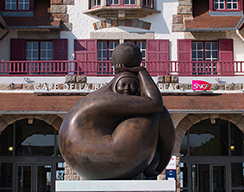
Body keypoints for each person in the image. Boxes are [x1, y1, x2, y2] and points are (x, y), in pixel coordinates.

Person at [59, 43, 174, 180]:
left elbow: (153, 102)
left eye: (132, 86)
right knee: (157, 112)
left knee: (153, 111)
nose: (127, 90)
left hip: (86, 161)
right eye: (123, 85)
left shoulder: (98, 97)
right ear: (115, 84)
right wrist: (141, 71)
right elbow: (155, 102)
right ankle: (158, 164)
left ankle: (156, 162)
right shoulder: (108, 99)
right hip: (102, 156)